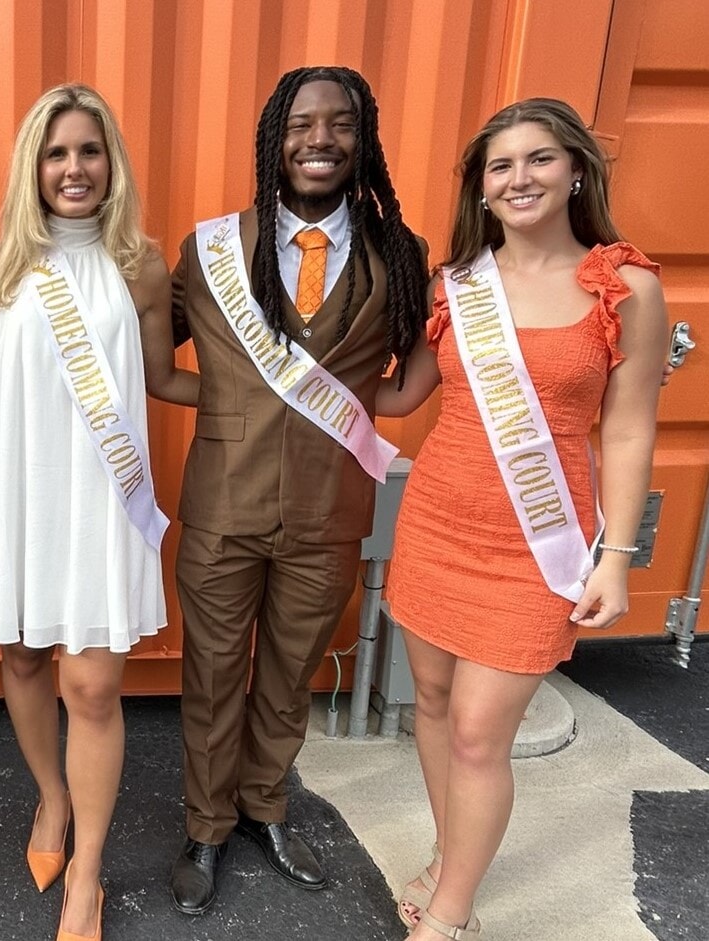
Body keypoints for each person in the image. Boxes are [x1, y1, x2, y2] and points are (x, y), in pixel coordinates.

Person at [378, 98, 667, 940]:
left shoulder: (625, 286)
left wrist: (615, 556)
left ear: (576, 168)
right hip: (435, 522)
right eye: (499, 166)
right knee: (430, 705)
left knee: (477, 732)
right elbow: (400, 395)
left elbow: (626, 427)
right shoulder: (456, 285)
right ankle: (448, 855)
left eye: (538, 159)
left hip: (535, 546)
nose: (519, 179)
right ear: (480, 188)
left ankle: (452, 909)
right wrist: (304, 356)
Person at [167, 65, 431, 915]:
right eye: (300, 125)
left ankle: (265, 807)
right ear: (273, 138)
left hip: (328, 511)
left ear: (364, 138)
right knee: (211, 672)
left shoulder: (402, 253)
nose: (319, 140)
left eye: (340, 124)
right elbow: (136, 344)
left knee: (288, 675)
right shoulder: (210, 248)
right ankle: (205, 823)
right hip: (222, 505)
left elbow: (407, 371)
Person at [0, 83, 197, 940]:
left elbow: (161, 375)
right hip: (24, 485)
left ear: (111, 163)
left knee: (91, 683)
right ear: (33, 164)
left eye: (88, 151)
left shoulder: (141, 262)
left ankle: (86, 869)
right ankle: (51, 799)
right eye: (55, 152)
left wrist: (246, 407)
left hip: (102, 496)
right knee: (21, 657)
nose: (73, 168)